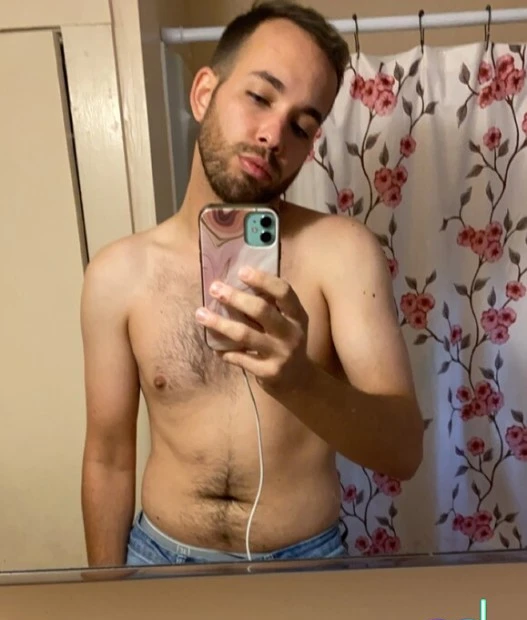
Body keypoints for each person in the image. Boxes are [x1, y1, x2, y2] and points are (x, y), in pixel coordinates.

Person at [80, 0, 424, 569]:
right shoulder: (117, 273)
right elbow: (108, 457)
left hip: (306, 563)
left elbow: (403, 452)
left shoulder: (343, 255)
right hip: (158, 558)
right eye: (260, 97)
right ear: (203, 93)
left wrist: (299, 381)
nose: (272, 136)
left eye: (301, 125)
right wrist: (105, 591)